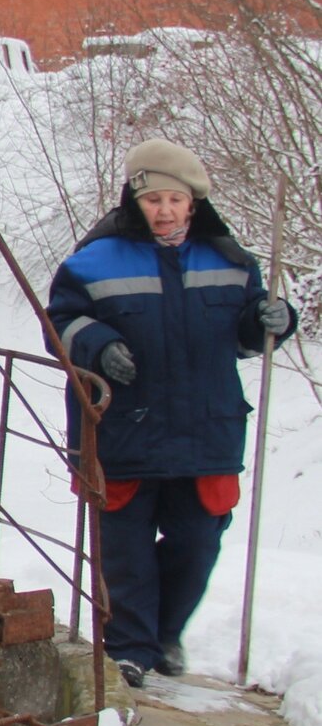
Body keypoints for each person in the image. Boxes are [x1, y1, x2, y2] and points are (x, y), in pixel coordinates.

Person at [47, 139, 295, 688]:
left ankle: (165, 633)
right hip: (123, 430)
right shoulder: (92, 262)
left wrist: (273, 319)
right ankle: (130, 648)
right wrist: (99, 344)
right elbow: (58, 324)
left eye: (174, 200)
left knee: (199, 540)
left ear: (193, 204)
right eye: (152, 199)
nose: (163, 210)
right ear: (135, 202)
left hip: (205, 429)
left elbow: (246, 334)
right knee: (126, 550)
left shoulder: (230, 261)